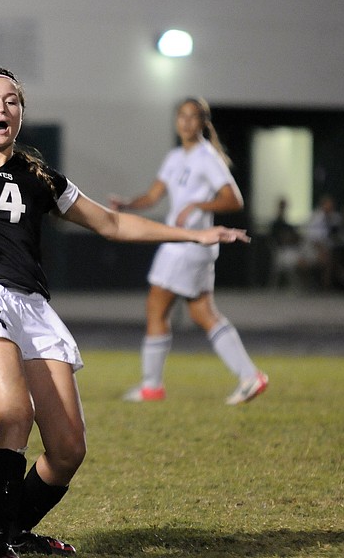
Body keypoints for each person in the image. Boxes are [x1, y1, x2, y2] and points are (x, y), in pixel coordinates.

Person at [0, 67, 251, 558]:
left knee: (69, 447)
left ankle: (16, 529)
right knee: (13, 413)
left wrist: (195, 236)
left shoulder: (40, 176)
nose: (0, 109)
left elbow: (111, 223)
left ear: (20, 113)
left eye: (10, 101)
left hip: (31, 304)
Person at [110, 97, 268, 406]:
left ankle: (152, 386)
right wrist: (127, 204)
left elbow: (233, 199)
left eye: (193, 117)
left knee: (157, 309)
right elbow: (155, 195)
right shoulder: (175, 157)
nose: (185, 122)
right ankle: (250, 376)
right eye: (181, 116)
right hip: (188, 245)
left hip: (187, 245)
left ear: (202, 124)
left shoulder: (207, 157)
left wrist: (198, 204)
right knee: (202, 312)